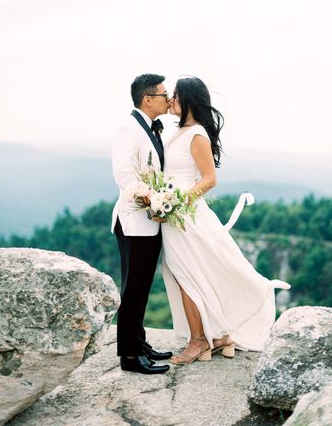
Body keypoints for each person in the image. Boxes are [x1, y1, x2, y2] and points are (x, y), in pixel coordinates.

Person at [161, 77, 290, 365]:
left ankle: (198, 342)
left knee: (186, 275)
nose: (170, 100)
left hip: (185, 215)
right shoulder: (180, 131)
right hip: (173, 214)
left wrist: (176, 203)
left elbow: (209, 180)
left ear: (189, 101)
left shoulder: (197, 135)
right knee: (185, 273)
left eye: (176, 96)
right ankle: (219, 337)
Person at [111, 73, 173, 374]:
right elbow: (126, 178)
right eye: (164, 94)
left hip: (151, 222)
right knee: (132, 290)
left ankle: (140, 343)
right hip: (134, 222)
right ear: (147, 99)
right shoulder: (127, 130)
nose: (168, 98)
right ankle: (130, 357)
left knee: (143, 288)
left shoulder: (152, 128)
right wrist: (152, 200)